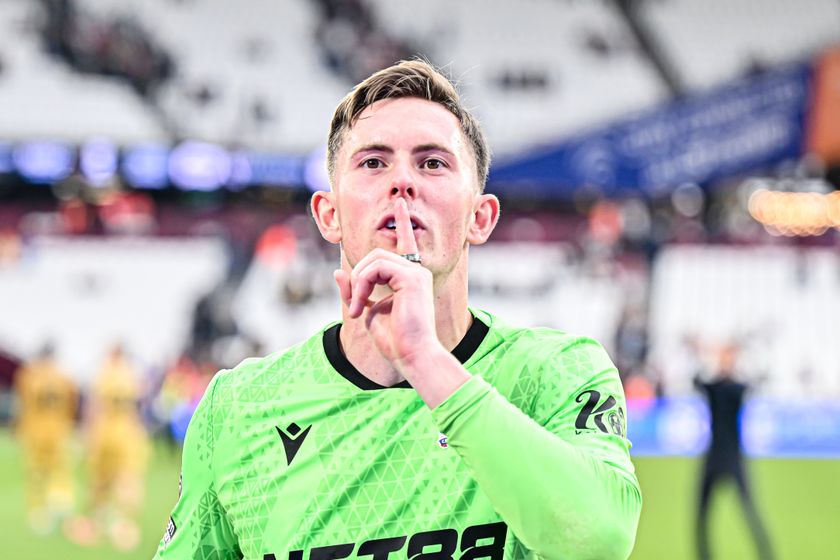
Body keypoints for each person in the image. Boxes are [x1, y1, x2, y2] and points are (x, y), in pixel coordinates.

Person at [155, 59, 641, 559]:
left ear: (480, 217)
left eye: (433, 163)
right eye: (372, 162)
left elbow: (599, 541)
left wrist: (425, 360)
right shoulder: (238, 409)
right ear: (328, 215)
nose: (402, 183)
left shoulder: (553, 372)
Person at [65, 344, 150, 550]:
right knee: (127, 479)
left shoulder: (105, 374)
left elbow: (95, 406)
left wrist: (86, 435)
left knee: (100, 480)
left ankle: (97, 523)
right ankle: (124, 527)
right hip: (127, 432)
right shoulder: (131, 375)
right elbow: (138, 406)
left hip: (105, 432)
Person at [694, 343, 774, 560]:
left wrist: (731, 365)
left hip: (732, 458)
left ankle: (767, 554)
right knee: (701, 516)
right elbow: (697, 380)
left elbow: (749, 384)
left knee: (750, 512)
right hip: (714, 458)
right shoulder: (716, 388)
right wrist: (709, 360)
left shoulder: (733, 389)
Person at [13, 342, 79, 535]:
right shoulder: (63, 377)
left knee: (36, 472)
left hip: (36, 430)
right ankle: (59, 503)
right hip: (57, 430)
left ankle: (39, 513)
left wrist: (20, 427)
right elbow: (71, 405)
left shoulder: (29, 375)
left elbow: (24, 403)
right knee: (59, 469)